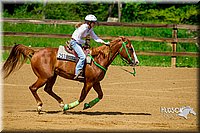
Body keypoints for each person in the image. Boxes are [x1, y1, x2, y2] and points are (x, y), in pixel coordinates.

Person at [69, 14, 110, 79]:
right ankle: (77, 73)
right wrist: (84, 42)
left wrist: (104, 42)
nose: (95, 24)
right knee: (82, 57)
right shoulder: (83, 27)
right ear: (89, 22)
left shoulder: (89, 29)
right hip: (74, 42)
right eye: (93, 22)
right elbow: (77, 38)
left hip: (78, 42)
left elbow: (95, 37)